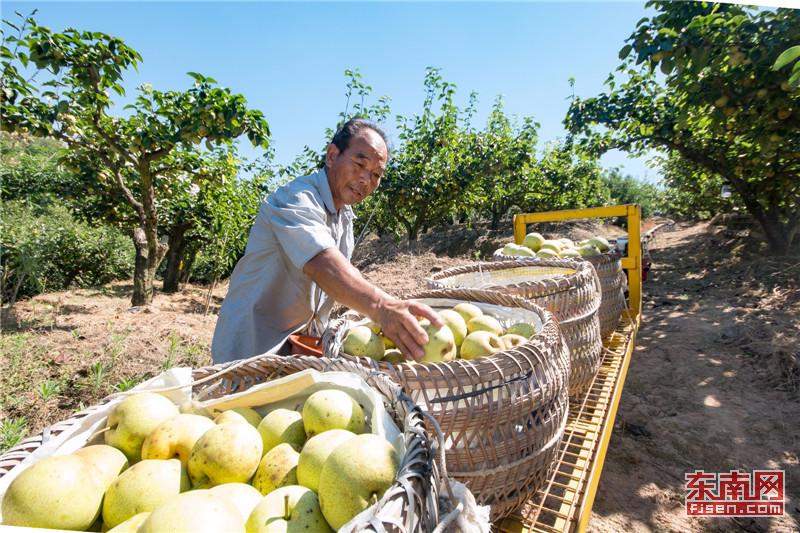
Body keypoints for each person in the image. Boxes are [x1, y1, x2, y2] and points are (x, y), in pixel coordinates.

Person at [211, 119, 442, 364]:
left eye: (376, 174)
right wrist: (382, 306)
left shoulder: (344, 218)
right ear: (332, 156)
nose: (366, 179)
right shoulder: (296, 200)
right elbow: (322, 263)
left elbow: (335, 281)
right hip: (251, 349)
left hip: (297, 350)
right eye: (359, 163)